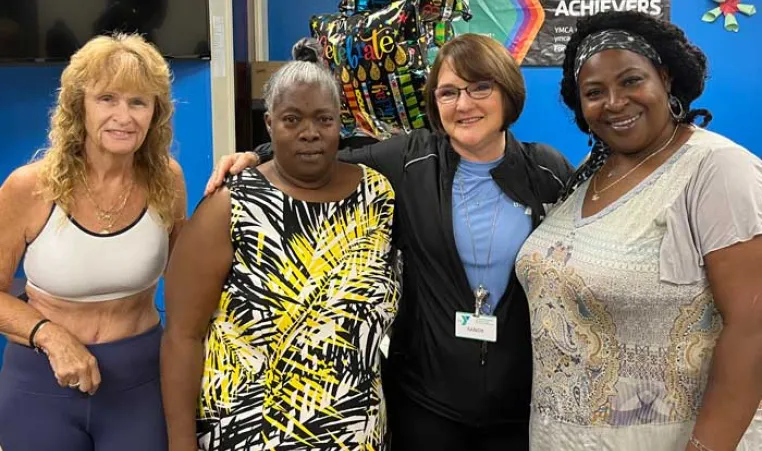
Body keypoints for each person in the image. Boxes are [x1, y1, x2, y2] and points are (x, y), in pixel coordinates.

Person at [210, 34, 575, 450]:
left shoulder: (547, 168)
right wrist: (256, 156)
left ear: (507, 91)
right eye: (449, 92)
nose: (464, 104)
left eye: (480, 88)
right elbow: (325, 155)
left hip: (519, 401)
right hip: (425, 400)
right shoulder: (409, 160)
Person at [515, 10, 762, 451]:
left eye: (631, 81)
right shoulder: (589, 178)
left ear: (665, 78)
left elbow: (753, 326)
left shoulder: (715, 169)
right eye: (594, 92)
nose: (613, 102)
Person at [160, 61, 400, 451]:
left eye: (324, 119)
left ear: (341, 121)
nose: (310, 133)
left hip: (356, 433)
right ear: (269, 125)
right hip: (247, 432)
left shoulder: (378, 197)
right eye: (292, 119)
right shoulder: (231, 205)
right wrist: (181, 443)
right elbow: (182, 336)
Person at [0, 33, 186, 450]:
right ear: (78, 106)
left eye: (138, 102)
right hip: (41, 381)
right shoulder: (28, 187)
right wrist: (50, 335)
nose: (124, 116)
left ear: (154, 113)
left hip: (141, 383)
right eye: (107, 99)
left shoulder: (167, 180)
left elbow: (186, 277)